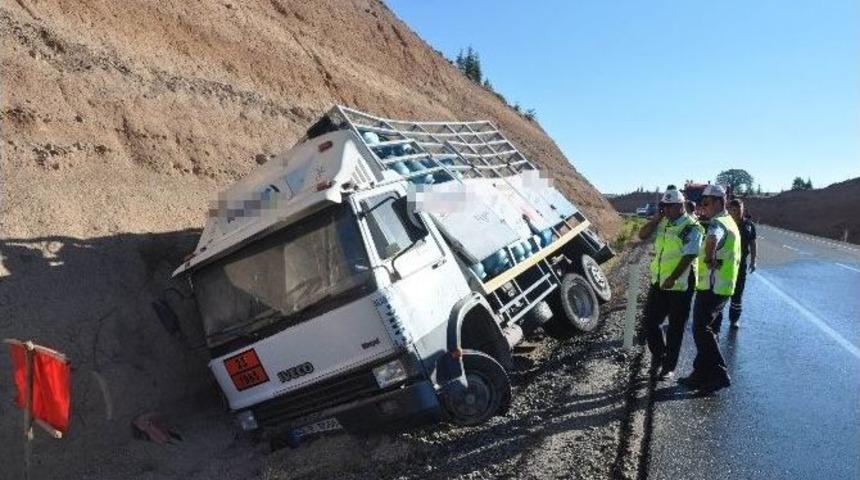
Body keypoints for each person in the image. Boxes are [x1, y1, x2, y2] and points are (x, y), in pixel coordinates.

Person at [678, 184, 741, 393]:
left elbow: (712, 238)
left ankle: (719, 374)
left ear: (717, 202)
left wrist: (709, 255)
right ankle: (700, 374)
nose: (703, 206)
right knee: (710, 330)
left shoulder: (717, 223)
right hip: (723, 286)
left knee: (701, 329)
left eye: (706, 202)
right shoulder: (730, 221)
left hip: (712, 286)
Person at [638, 188, 703, 380]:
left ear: (680, 206)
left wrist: (673, 277)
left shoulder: (692, 227)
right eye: (663, 207)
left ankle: (668, 368)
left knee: (675, 327)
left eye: (668, 207)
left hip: (681, 284)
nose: (665, 210)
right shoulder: (664, 222)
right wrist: (656, 218)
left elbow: (690, 254)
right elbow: (642, 235)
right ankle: (659, 355)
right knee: (650, 322)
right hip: (659, 281)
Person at [727, 199, 757, 328]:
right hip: (725, 263)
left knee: (738, 292)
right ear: (730, 210)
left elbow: (753, 243)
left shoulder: (749, 225)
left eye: (739, 209)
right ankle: (714, 318)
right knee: (721, 291)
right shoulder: (725, 224)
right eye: (734, 210)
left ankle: (734, 319)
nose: (737, 212)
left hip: (740, 264)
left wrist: (754, 260)